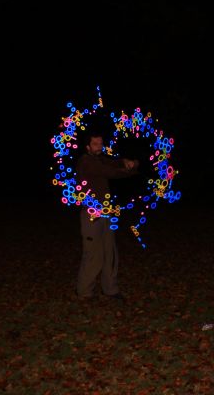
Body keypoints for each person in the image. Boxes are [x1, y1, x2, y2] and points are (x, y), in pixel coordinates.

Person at [75, 118, 139, 301]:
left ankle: (110, 289)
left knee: (110, 253)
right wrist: (128, 170)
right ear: (87, 146)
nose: (99, 146)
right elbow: (110, 172)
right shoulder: (86, 162)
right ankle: (84, 292)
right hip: (91, 215)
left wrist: (127, 161)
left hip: (106, 213)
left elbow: (112, 163)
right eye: (95, 144)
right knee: (93, 254)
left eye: (100, 143)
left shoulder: (99, 159)